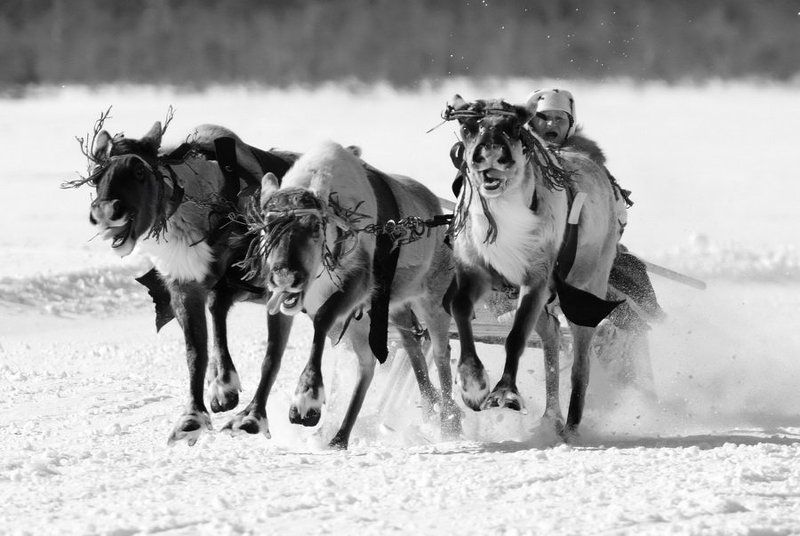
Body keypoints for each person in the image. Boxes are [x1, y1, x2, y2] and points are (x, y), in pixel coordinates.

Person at [527, 88, 664, 396]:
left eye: (558, 119)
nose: (550, 125)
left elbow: (617, 214)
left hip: (584, 259)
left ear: (570, 124)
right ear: (530, 122)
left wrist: (604, 239)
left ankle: (625, 389)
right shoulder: (513, 160)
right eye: (543, 118)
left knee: (627, 289)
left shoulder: (587, 165)